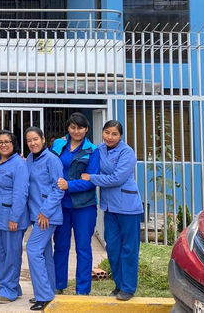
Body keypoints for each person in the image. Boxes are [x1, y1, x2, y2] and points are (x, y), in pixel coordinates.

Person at [81, 120, 143, 302]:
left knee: (129, 248)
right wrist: (64, 140)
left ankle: (128, 288)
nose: (110, 137)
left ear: (120, 136)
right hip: (109, 207)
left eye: (114, 134)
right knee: (113, 247)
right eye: (107, 132)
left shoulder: (127, 152)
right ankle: (119, 284)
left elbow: (117, 178)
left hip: (128, 208)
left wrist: (91, 178)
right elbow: (83, 148)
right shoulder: (99, 149)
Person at [53, 112, 99, 295]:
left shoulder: (92, 150)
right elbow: (49, 165)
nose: (76, 131)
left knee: (83, 247)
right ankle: (58, 285)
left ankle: (83, 290)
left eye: (80, 128)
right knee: (60, 246)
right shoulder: (59, 144)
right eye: (73, 127)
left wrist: (69, 185)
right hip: (61, 205)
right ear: (68, 128)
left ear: (86, 129)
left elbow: (91, 180)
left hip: (84, 206)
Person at [24, 127, 65, 311]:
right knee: (45, 253)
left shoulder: (52, 159)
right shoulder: (30, 159)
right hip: (36, 214)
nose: (32, 143)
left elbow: (58, 188)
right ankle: (48, 291)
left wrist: (46, 212)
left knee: (33, 250)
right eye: (29, 140)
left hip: (47, 216)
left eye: (35, 139)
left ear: (43, 139)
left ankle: (44, 295)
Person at [0, 130, 29, 304]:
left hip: (11, 218)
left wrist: (14, 217)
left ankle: (9, 290)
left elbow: (21, 192)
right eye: (0, 142)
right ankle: (9, 286)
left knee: (11, 255)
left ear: (14, 144)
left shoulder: (18, 164)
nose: (3, 145)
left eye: (7, 142)